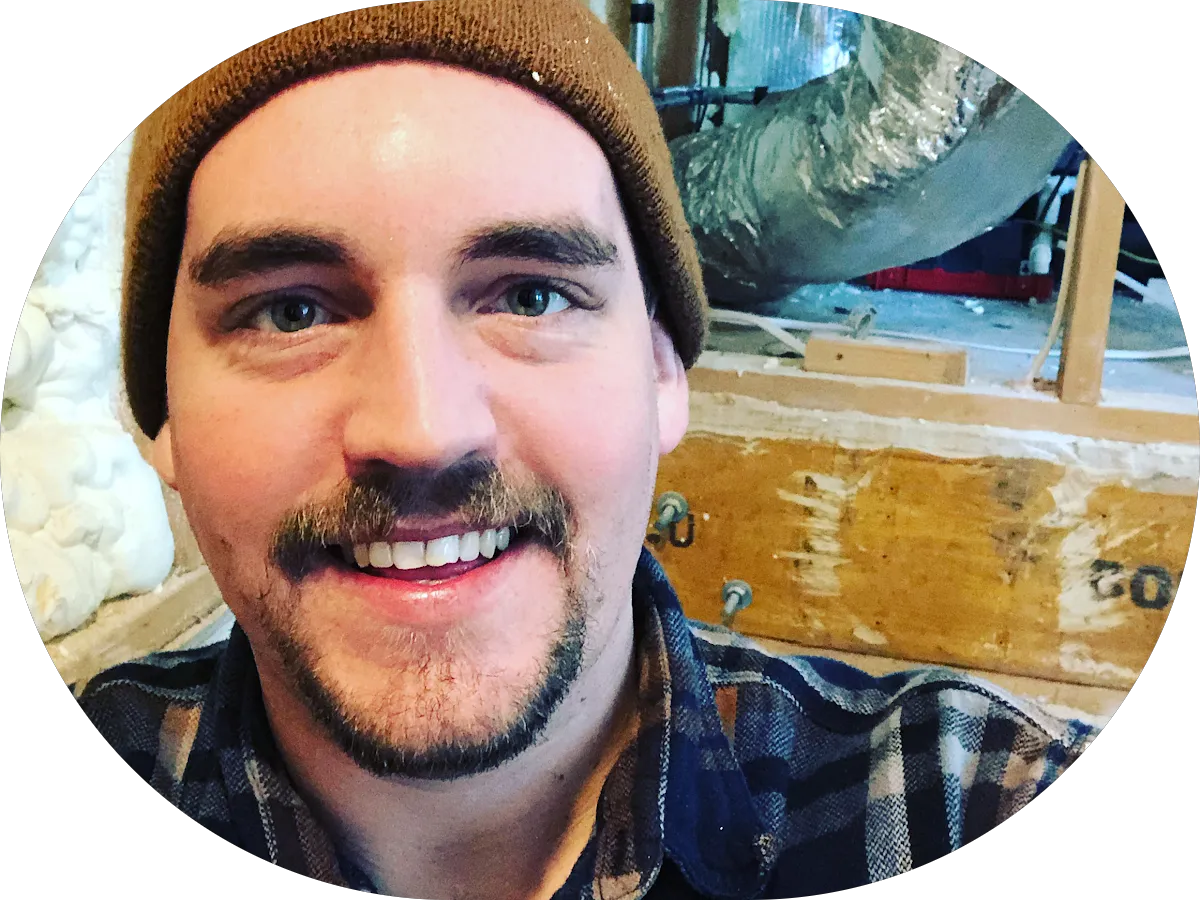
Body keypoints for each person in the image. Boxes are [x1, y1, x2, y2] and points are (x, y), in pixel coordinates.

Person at [76, 2, 1094, 897]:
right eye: (290, 312)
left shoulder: (956, 800)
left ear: (663, 373)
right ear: (161, 418)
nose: (423, 429)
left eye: (531, 295)